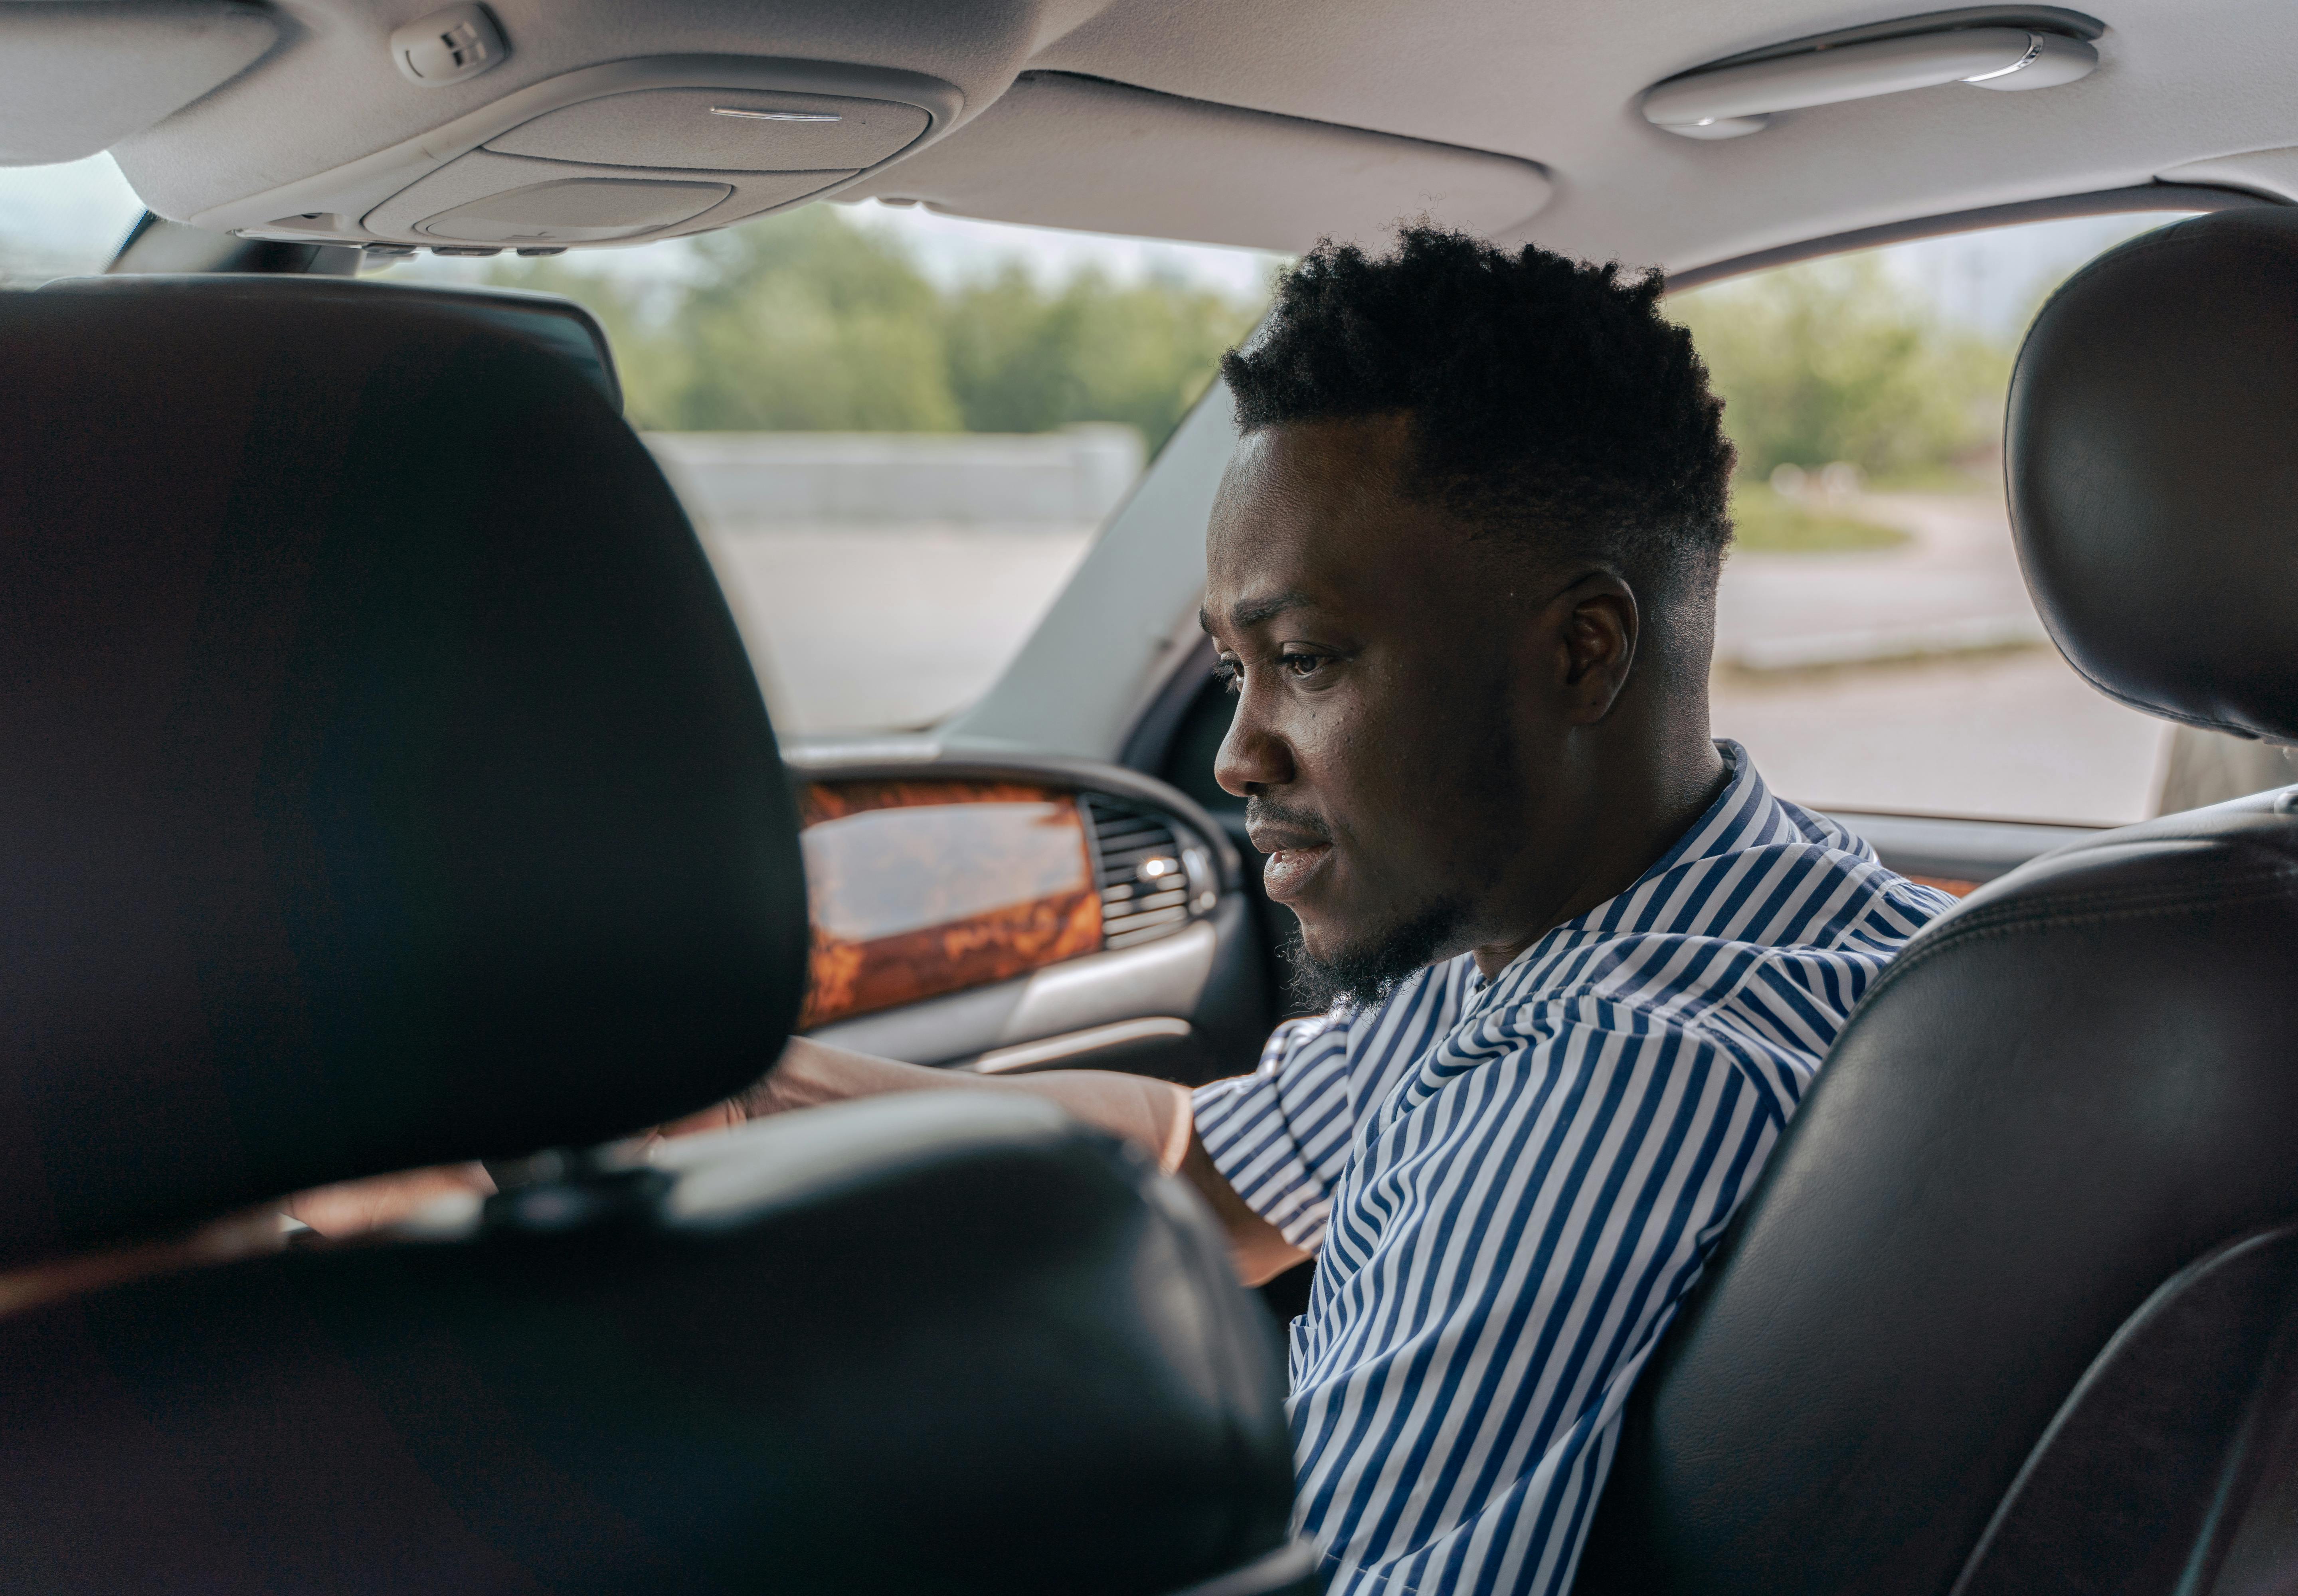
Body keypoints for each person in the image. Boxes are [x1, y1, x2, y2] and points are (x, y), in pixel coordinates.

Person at [297, 225, 1955, 1595]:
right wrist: (733, 1080)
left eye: (1303, 660)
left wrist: (464, 1298)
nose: (1239, 754)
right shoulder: (1715, 919)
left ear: (1584, 650)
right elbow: (1193, 1155)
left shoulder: (1611, 1077)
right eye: (1232, 670)